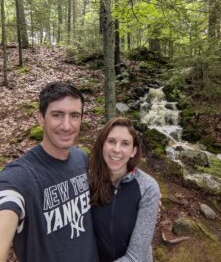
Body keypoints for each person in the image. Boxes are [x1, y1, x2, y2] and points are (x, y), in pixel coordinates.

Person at [0, 81, 99, 262]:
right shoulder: (20, 177)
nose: (67, 126)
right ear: (40, 117)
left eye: (74, 115)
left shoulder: (81, 158)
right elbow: (7, 203)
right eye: (57, 115)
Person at [88, 117, 160, 262]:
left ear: (133, 151)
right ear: (102, 144)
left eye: (125, 144)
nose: (117, 149)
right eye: (111, 141)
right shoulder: (88, 181)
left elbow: (136, 257)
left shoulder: (147, 188)